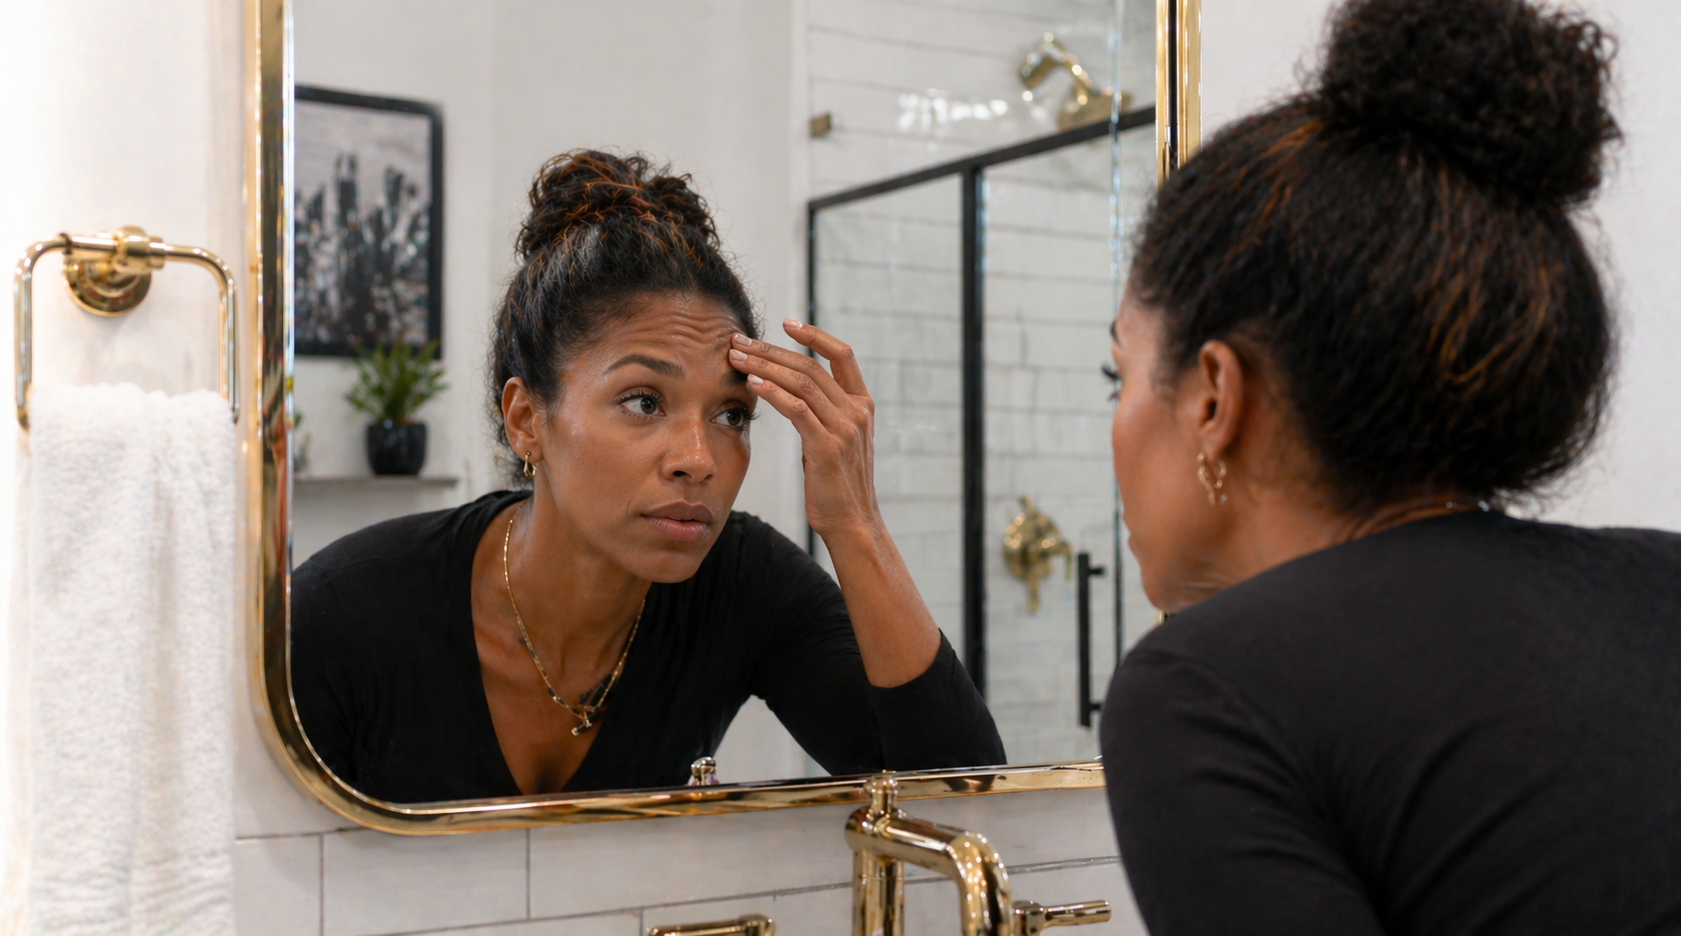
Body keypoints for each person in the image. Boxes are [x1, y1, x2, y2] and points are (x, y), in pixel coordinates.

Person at [1100, 0, 1681, 932]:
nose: (1117, 423)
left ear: (1213, 395)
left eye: (1117, 372)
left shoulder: (1205, 686)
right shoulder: (1663, 580)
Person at [292, 150, 1003, 802]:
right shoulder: (343, 613)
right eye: (642, 401)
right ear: (526, 419)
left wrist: (856, 523)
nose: (698, 458)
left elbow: (956, 795)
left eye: (731, 414)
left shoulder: (739, 583)